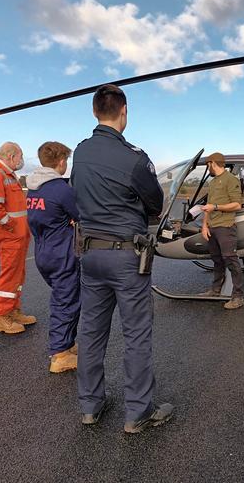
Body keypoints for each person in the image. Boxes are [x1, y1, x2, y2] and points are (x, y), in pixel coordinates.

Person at [71, 84, 173, 433]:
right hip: (126, 258)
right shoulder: (133, 157)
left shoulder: (80, 153)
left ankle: (90, 405)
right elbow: (156, 204)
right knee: (136, 335)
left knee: (92, 331)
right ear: (124, 110)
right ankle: (137, 412)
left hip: (90, 255)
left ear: (95, 111)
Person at [26, 141, 80, 373]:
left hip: (43, 251)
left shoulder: (34, 188)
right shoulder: (61, 189)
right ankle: (59, 354)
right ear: (60, 162)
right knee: (65, 302)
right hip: (62, 253)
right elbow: (81, 213)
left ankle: (67, 345)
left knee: (64, 298)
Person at [0, 142, 36, 334]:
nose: (21, 161)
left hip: (18, 235)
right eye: (20, 156)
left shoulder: (9, 174)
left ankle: (13, 310)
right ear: (11, 156)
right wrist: (11, 225)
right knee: (9, 275)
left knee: (17, 274)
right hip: (9, 235)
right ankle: (2, 316)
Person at [199, 152, 244, 309]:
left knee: (230, 259)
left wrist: (216, 207)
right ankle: (215, 290)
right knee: (217, 259)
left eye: (208, 164)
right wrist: (204, 226)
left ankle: (238, 296)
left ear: (213, 163)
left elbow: (237, 205)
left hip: (225, 226)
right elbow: (208, 207)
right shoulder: (213, 183)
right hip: (212, 227)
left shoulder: (231, 180)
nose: (207, 168)